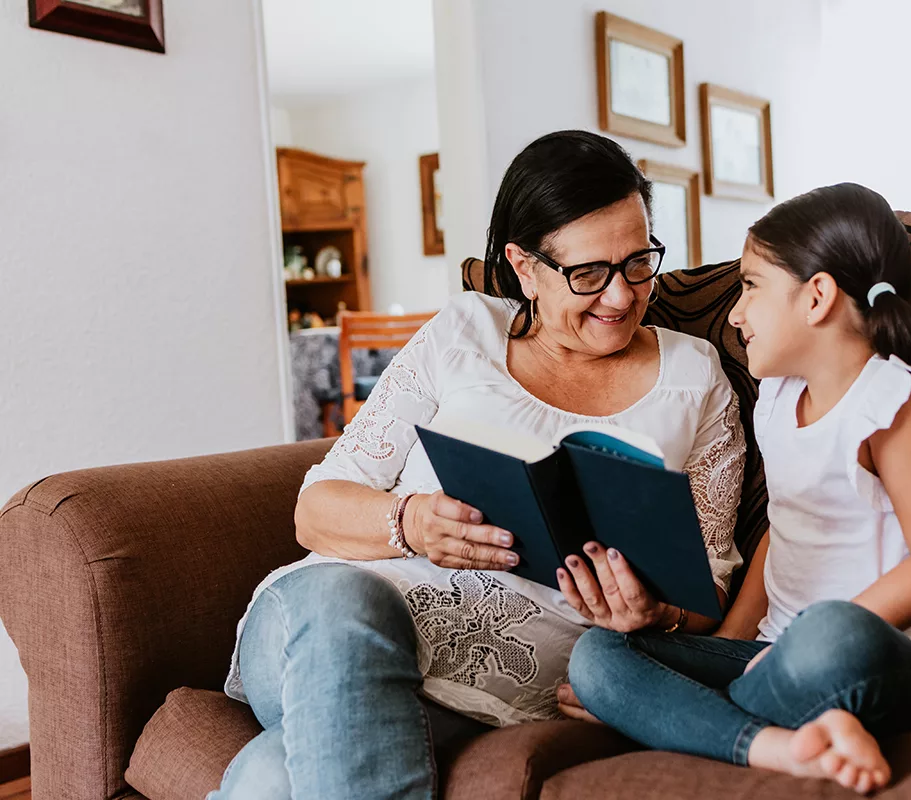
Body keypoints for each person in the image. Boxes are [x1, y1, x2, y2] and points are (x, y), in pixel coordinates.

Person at [208, 130, 746, 800]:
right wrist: (409, 522)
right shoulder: (463, 334)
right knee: (343, 598)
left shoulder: (695, 378)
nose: (620, 296)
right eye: (588, 274)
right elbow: (314, 511)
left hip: (501, 695)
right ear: (524, 267)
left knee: (272, 776)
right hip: (326, 630)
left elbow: (712, 582)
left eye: (639, 263)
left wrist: (655, 613)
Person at [564, 183, 911, 795]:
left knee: (829, 633)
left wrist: (791, 651)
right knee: (598, 657)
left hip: (888, 656)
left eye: (750, 286)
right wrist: (738, 641)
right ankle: (785, 746)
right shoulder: (779, 397)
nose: (734, 314)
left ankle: (700, 720)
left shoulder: (893, 402)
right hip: (774, 655)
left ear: (816, 296)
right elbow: (783, 528)